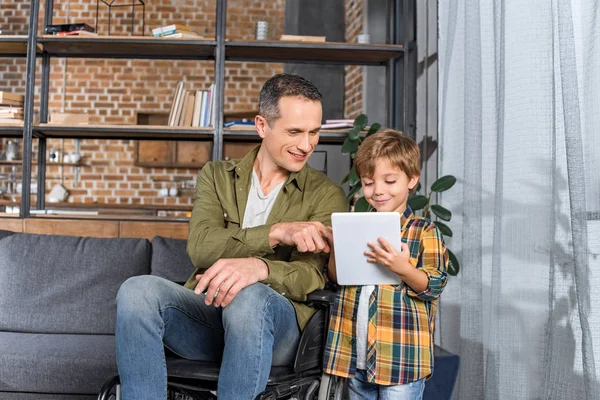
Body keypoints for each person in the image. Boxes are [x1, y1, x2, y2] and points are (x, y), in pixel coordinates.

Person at [115, 73, 348, 400]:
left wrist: (261, 269)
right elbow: (201, 247)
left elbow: (312, 276)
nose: (307, 145)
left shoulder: (326, 195)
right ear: (262, 126)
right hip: (209, 318)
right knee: (136, 290)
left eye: (314, 132)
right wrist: (276, 233)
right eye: (294, 132)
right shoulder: (216, 176)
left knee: (248, 296)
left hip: (278, 328)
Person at [323, 129, 448, 400]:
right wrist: (336, 247)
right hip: (356, 359)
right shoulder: (354, 225)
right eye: (368, 183)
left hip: (401, 360)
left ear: (412, 179)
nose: (378, 191)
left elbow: (433, 286)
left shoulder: (423, 231)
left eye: (389, 181)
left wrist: (403, 268)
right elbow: (336, 278)